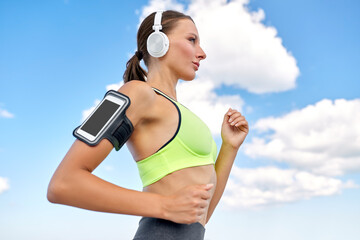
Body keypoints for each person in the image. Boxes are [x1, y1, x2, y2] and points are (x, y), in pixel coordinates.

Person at [47, 10, 249, 240]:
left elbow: (201, 214)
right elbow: (62, 184)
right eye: (192, 40)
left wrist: (230, 147)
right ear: (158, 42)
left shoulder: (183, 112)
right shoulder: (134, 92)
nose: (202, 53)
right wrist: (165, 205)